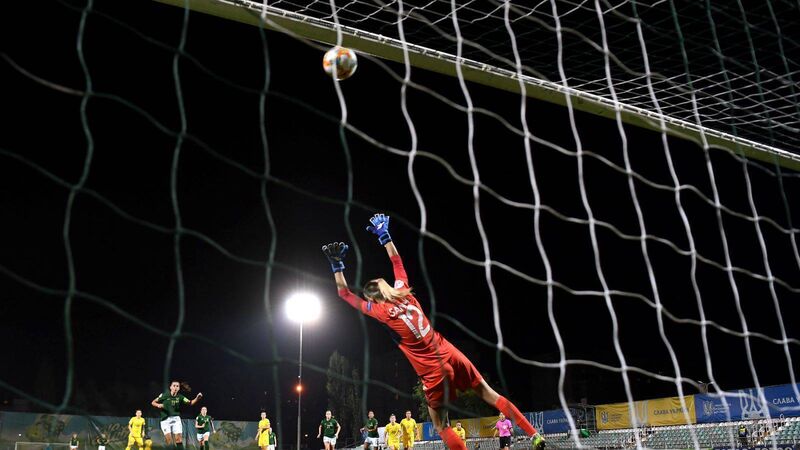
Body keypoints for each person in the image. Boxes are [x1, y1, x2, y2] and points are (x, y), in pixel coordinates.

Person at [321, 214, 546, 450]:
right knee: (490, 395)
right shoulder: (403, 291)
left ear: (371, 298)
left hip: (433, 371)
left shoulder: (381, 313)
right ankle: (534, 435)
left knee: (440, 424)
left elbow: (344, 295)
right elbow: (397, 262)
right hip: (449, 352)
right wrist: (385, 236)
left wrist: (337, 266)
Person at [151, 381, 203, 450]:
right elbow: (153, 402)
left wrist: (197, 398)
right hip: (165, 420)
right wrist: (158, 405)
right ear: (170, 387)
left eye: (177, 386)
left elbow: (190, 403)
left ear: (178, 388)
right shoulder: (164, 395)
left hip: (176, 419)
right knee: (169, 441)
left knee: (178, 440)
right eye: (174, 386)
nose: (175, 387)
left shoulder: (180, 397)